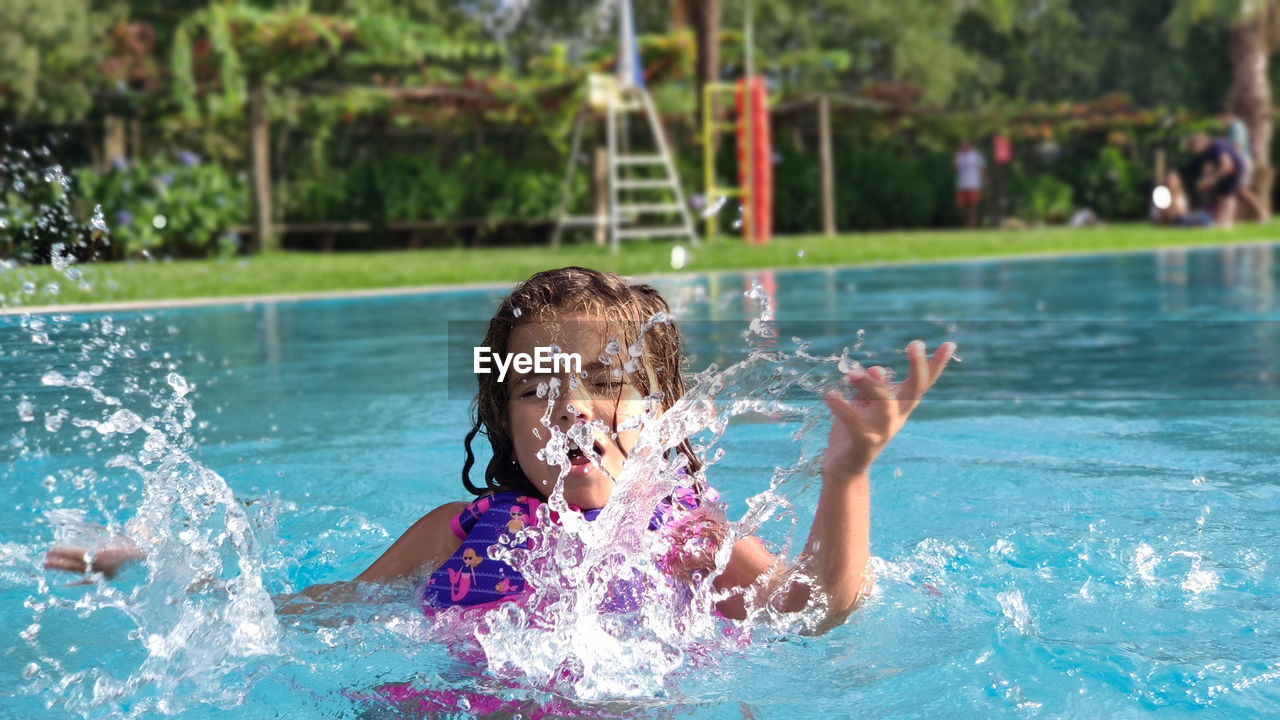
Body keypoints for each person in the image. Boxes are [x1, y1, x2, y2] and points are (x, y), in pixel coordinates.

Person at [46, 267, 952, 634]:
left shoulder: (682, 538)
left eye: (605, 378)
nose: (569, 406)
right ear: (502, 417)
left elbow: (812, 609)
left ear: (664, 407)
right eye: (532, 388)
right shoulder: (456, 532)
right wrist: (152, 565)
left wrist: (847, 475)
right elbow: (296, 612)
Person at [1219, 112, 1269, 223]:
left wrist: (1230, 163)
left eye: (1220, 119)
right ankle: (1238, 219)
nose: (1221, 123)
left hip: (1241, 161)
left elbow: (1237, 146)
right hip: (1243, 161)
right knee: (1239, 192)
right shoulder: (1238, 126)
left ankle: (1262, 212)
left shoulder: (1235, 126)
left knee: (1241, 190)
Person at [1189, 132, 1245, 229]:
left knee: (1227, 196)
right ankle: (1223, 222)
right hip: (1227, 171)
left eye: (1194, 149)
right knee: (1222, 196)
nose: (1195, 153)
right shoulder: (1208, 151)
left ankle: (1226, 223)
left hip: (1233, 170)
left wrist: (1212, 179)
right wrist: (1205, 180)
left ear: (1199, 143)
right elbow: (1208, 167)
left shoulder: (1215, 147)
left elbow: (1226, 164)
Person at [954, 139, 987, 228]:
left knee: (973, 205)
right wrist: (956, 155)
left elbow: (982, 168)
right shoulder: (959, 156)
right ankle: (966, 222)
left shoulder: (975, 155)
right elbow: (955, 167)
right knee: (961, 205)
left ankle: (972, 224)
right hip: (962, 183)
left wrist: (984, 180)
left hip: (974, 183)